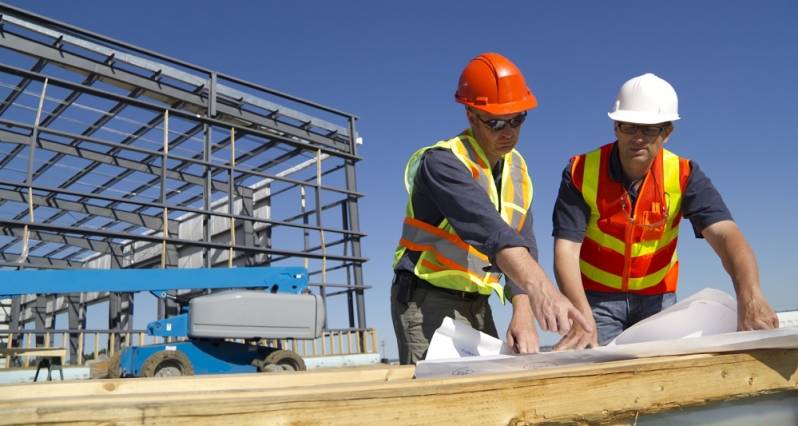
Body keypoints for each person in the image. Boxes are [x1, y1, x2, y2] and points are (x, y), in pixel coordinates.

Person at [552, 73, 779, 349]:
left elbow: (726, 236)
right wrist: (580, 314)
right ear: (616, 127)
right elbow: (566, 250)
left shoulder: (685, 175)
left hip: (657, 300)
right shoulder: (580, 171)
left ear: (667, 132)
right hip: (595, 300)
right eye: (629, 127)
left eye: (649, 129)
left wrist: (750, 296)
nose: (637, 138)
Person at [391, 52, 589, 364]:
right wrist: (544, 291)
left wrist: (522, 311)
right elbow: (492, 232)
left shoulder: (517, 170)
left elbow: (522, 240)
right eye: (495, 122)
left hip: (478, 302)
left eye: (517, 119)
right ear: (471, 115)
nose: (508, 132)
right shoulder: (443, 162)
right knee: (440, 403)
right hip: (426, 298)